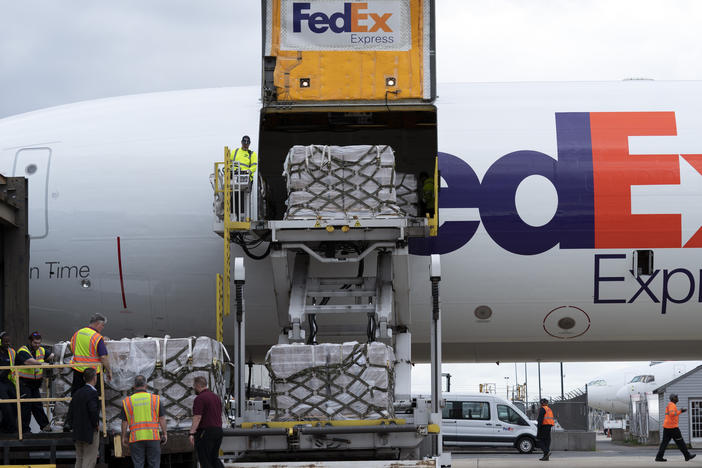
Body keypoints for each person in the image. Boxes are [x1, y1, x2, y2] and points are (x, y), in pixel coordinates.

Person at [121, 375, 167, 468]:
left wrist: (124, 436)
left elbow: (124, 422)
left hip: (136, 438)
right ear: (146, 385)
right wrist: (165, 434)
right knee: (154, 465)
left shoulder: (127, 401)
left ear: (134, 386)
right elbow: (161, 418)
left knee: (138, 465)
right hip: (153, 437)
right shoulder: (155, 399)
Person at [15, 331, 54, 433]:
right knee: (26, 407)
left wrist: (55, 357)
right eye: (35, 343)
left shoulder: (41, 350)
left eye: (39, 343)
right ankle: (24, 430)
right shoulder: (23, 350)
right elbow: (29, 361)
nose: (37, 345)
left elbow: (51, 356)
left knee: (37, 405)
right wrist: (43, 364)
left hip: (35, 384)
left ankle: (45, 427)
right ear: (30, 342)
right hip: (24, 383)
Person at [70, 314, 112, 397]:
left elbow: (72, 348)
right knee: (95, 398)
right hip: (92, 373)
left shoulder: (77, 333)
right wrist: (109, 370)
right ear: (97, 324)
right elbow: (103, 357)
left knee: (76, 396)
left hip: (78, 370)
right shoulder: (97, 337)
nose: (102, 328)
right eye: (102, 325)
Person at [67, 367, 100, 468]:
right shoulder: (93, 393)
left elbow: (70, 411)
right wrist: (96, 424)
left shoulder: (77, 393)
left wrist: (72, 425)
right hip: (89, 431)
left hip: (77, 431)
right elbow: (93, 410)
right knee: (89, 459)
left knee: (79, 458)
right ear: (95, 378)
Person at [189, 376, 224, 468]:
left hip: (206, 432)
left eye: (194, 386)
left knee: (205, 459)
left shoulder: (200, 398)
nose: (194, 388)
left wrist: (191, 433)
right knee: (214, 458)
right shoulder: (216, 397)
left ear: (197, 386)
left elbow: (197, 417)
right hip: (218, 431)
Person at [655, 393, 696, 462]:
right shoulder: (672, 405)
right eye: (676, 397)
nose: (677, 398)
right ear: (673, 398)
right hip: (673, 428)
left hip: (667, 427)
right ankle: (687, 456)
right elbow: (672, 414)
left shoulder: (670, 405)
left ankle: (659, 457)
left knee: (664, 443)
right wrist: (680, 411)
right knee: (680, 442)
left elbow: (672, 413)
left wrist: (679, 411)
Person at [0, 331, 17, 434]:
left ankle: (5, 427)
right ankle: (11, 429)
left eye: (9, 341)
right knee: (5, 405)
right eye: (5, 342)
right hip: (0, 382)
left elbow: (18, 362)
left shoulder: (11, 352)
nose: (8, 343)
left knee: (16, 403)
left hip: (8, 381)